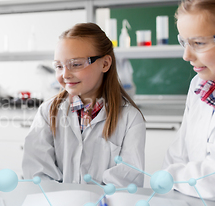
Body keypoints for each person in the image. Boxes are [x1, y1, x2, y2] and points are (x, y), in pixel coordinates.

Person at [22, 23, 145, 187]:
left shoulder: (130, 118)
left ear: (105, 64)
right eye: (59, 66)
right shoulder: (48, 112)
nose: (65, 74)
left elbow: (128, 179)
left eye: (76, 64)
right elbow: (36, 173)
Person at [163, 0, 215, 201]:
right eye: (184, 42)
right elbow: (178, 153)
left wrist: (171, 177)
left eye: (199, 43)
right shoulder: (200, 86)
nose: (186, 55)